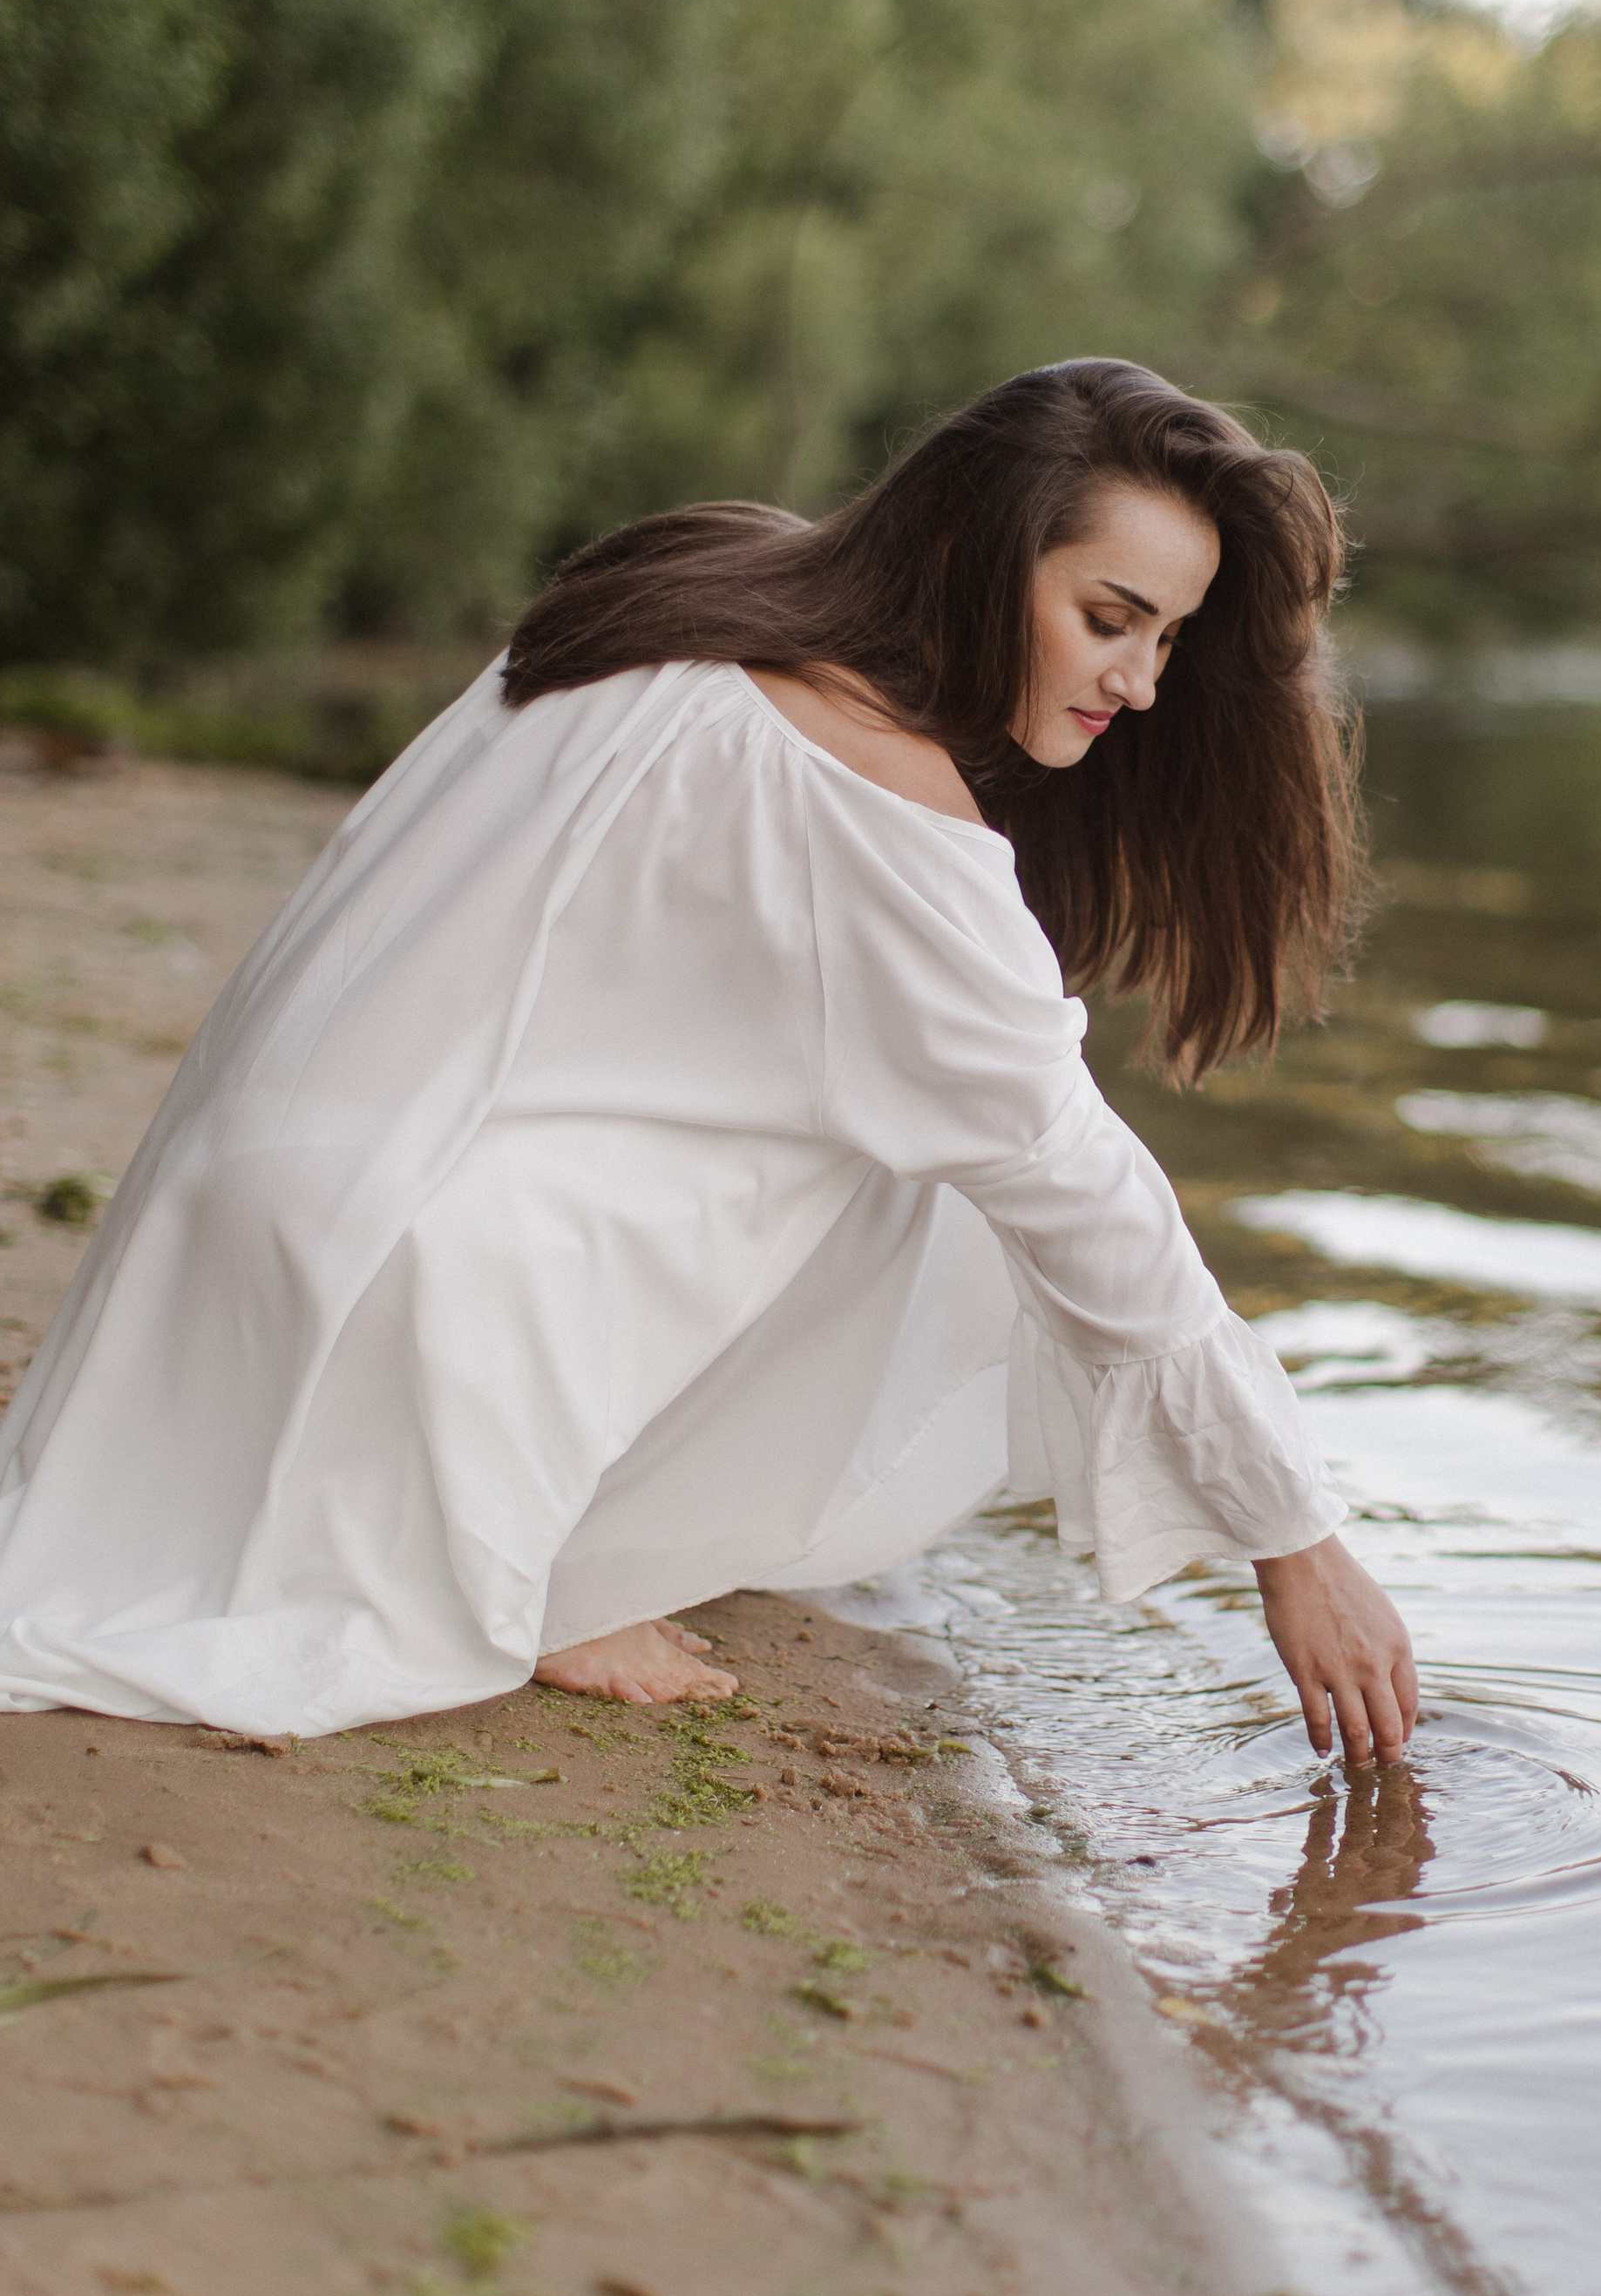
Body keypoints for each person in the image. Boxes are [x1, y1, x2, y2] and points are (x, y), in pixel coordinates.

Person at [0, 362, 1416, 1763]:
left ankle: (551, 1524)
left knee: (926, 1129)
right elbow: (1082, 1191)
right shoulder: (883, 812)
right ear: (973, 553)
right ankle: (560, 1566)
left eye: (1168, 639)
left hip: (237, 1226)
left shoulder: (694, 587)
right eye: (1110, 620)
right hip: (410, 1305)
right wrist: (1297, 1541)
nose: (1144, 686)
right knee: (951, 1193)